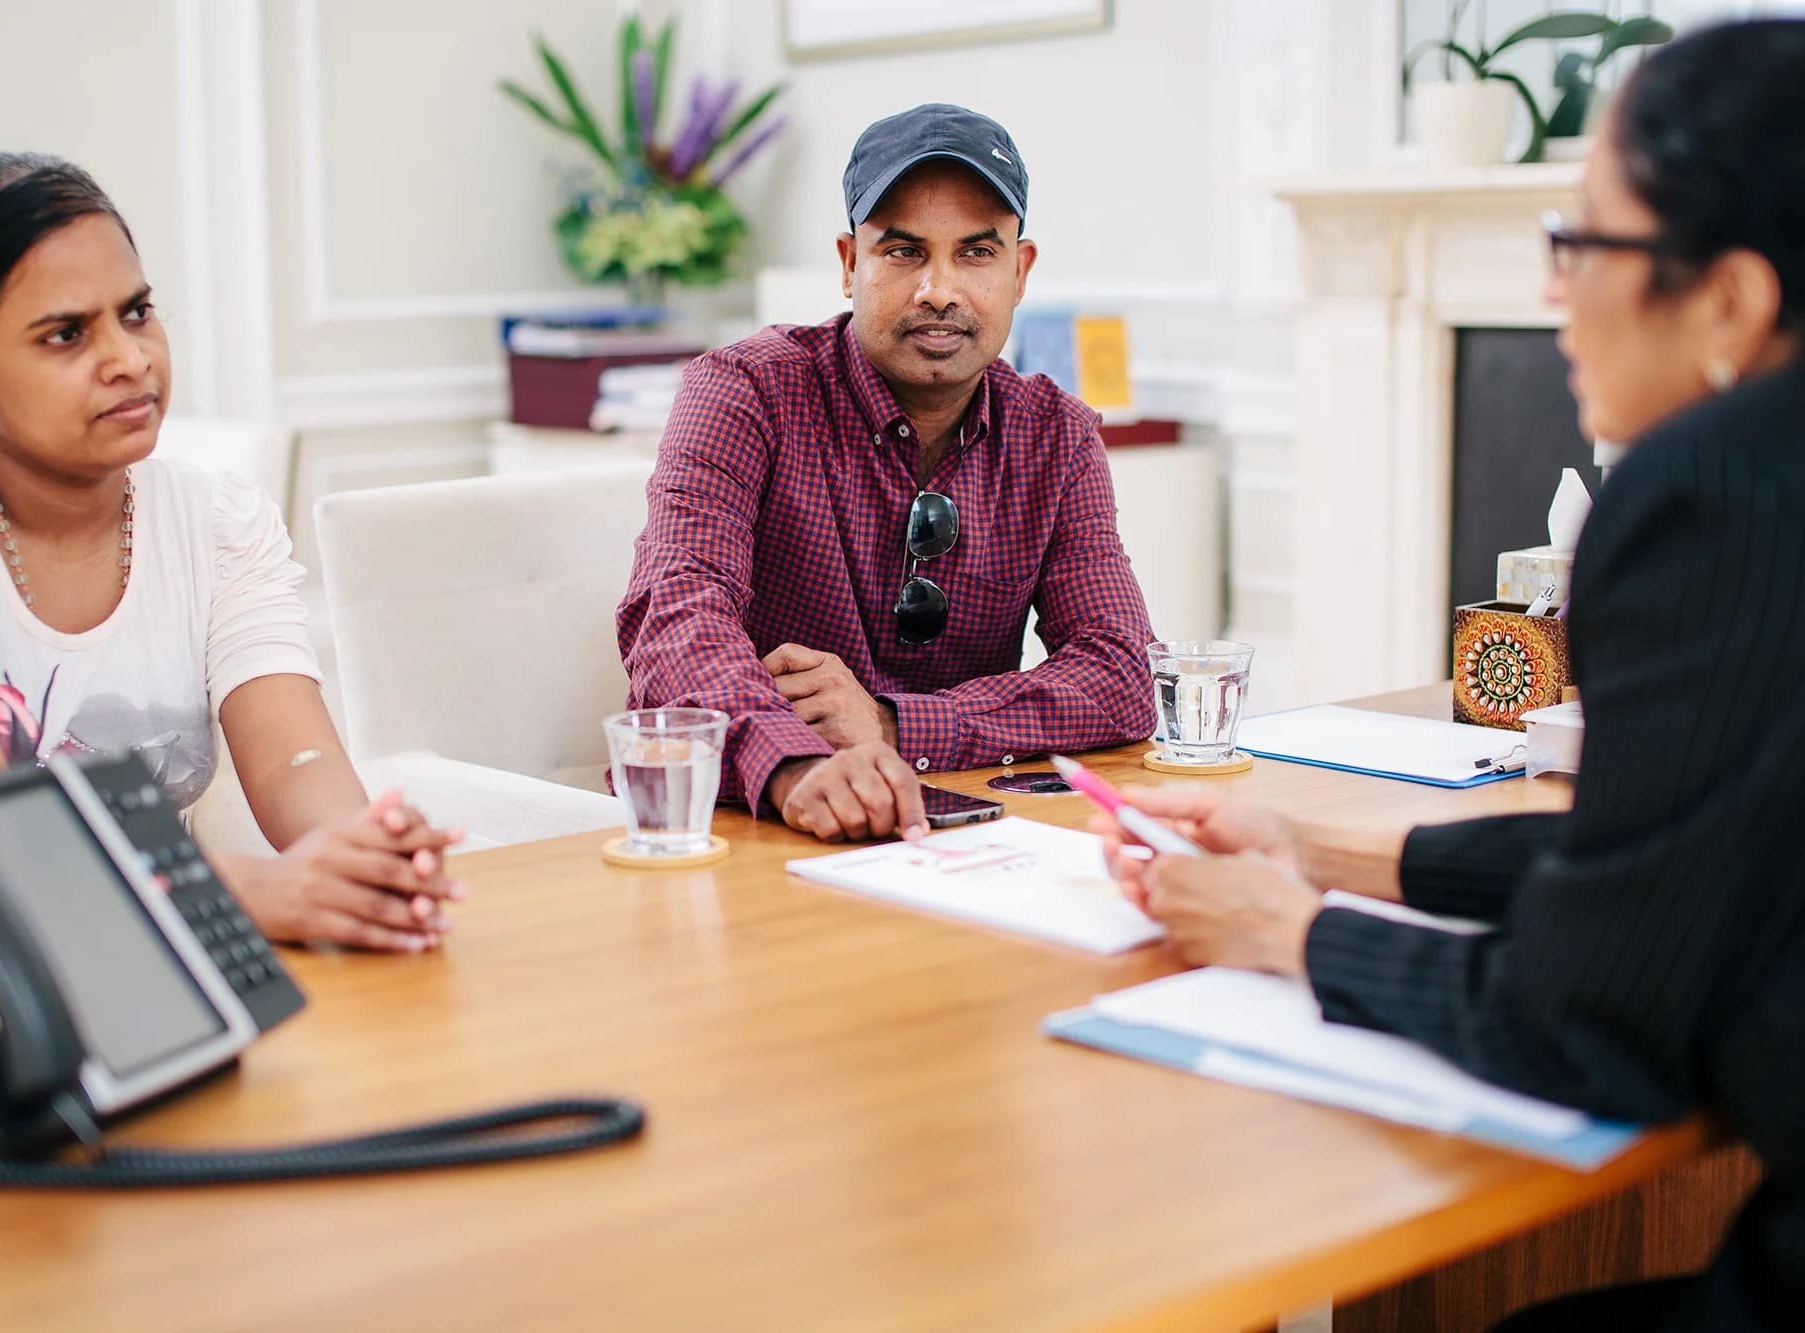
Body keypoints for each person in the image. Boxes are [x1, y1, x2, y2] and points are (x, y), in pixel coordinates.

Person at [1094, 21, 1805, 1331]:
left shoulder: (1711, 488)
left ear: (1731, 302)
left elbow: (1597, 1024)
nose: (1555, 291)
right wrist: (1321, 850)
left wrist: (1284, 932)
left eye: (1586, 239)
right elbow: (1665, 871)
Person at [0, 153, 457, 954]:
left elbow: (296, 756)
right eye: (68, 334)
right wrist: (265, 893)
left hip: (165, 963)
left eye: (137, 312)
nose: (130, 358)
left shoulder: (217, 517)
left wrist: (364, 856)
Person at [618, 103, 1157, 844]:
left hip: (956, 833)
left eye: (976, 252)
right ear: (849, 264)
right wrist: (796, 766)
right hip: (744, 827)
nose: (939, 289)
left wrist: (893, 723)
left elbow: (1120, 675)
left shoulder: (1057, 439)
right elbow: (675, 615)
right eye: (904, 251)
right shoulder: (744, 392)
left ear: (1019, 271)